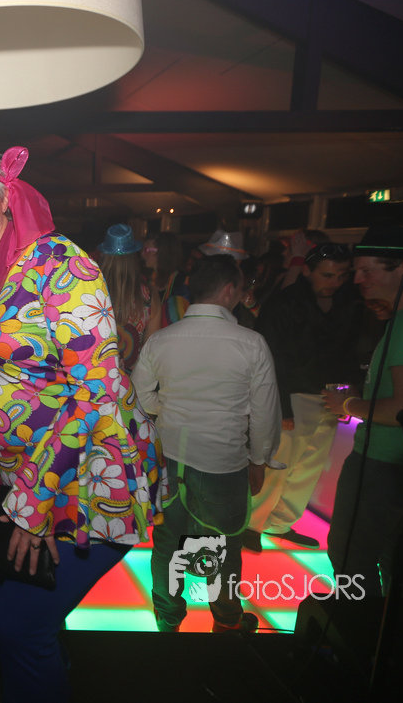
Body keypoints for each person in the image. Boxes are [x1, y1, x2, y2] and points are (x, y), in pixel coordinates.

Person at [0, 142, 165, 701]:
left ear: (6, 197)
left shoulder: (61, 264)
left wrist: (35, 506)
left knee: (20, 625)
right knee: (0, 615)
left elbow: (97, 393)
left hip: (85, 479)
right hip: (14, 481)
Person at [132, 254, 282, 634]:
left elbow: (139, 398)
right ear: (230, 290)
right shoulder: (251, 343)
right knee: (224, 546)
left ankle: (168, 620)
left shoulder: (161, 340)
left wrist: (167, 410)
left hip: (171, 460)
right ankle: (227, 621)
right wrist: (259, 460)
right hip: (224, 464)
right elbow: (265, 413)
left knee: (167, 545)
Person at [324, 225, 403, 599]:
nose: (357, 279)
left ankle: (360, 629)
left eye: (366, 270)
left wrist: (348, 405)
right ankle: (400, 632)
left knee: (349, 554)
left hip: (385, 463)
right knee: (395, 558)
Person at [243, 242, 364, 553]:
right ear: (308, 271)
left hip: (328, 394)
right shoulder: (285, 303)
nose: (335, 281)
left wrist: (349, 388)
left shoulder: (346, 302)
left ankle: (280, 523)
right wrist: (281, 404)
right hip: (293, 392)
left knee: (309, 466)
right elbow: (270, 356)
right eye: (328, 275)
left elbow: (348, 351)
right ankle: (252, 524)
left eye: (341, 275)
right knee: (278, 463)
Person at [97, 223, 161, 371]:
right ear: (134, 257)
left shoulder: (91, 291)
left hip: (98, 377)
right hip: (133, 379)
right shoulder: (149, 295)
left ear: (104, 256)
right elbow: (151, 350)